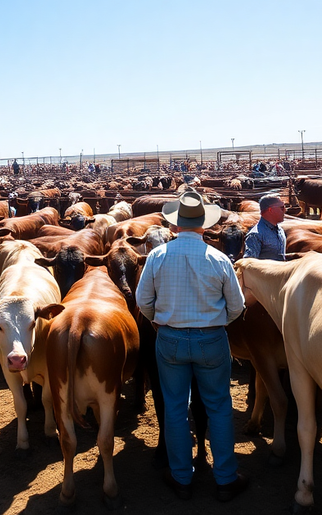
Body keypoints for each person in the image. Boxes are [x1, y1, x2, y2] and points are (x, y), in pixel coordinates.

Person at [136, 191, 249, 502]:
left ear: (175, 227)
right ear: (203, 226)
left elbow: (143, 301)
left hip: (170, 338)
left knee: (174, 408)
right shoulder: (220, 258)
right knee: (220, 407)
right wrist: (218, 323)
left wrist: (159, 322)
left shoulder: (158, 257)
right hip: (211, 339)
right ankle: (225, 478)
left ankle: (181, 476)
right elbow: (237, 306)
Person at [243, 195, 286, 261]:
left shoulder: (280, 230)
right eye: (282, 208)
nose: (285, 210)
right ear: (271, 210)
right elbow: (249, 263)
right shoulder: (255, 235)